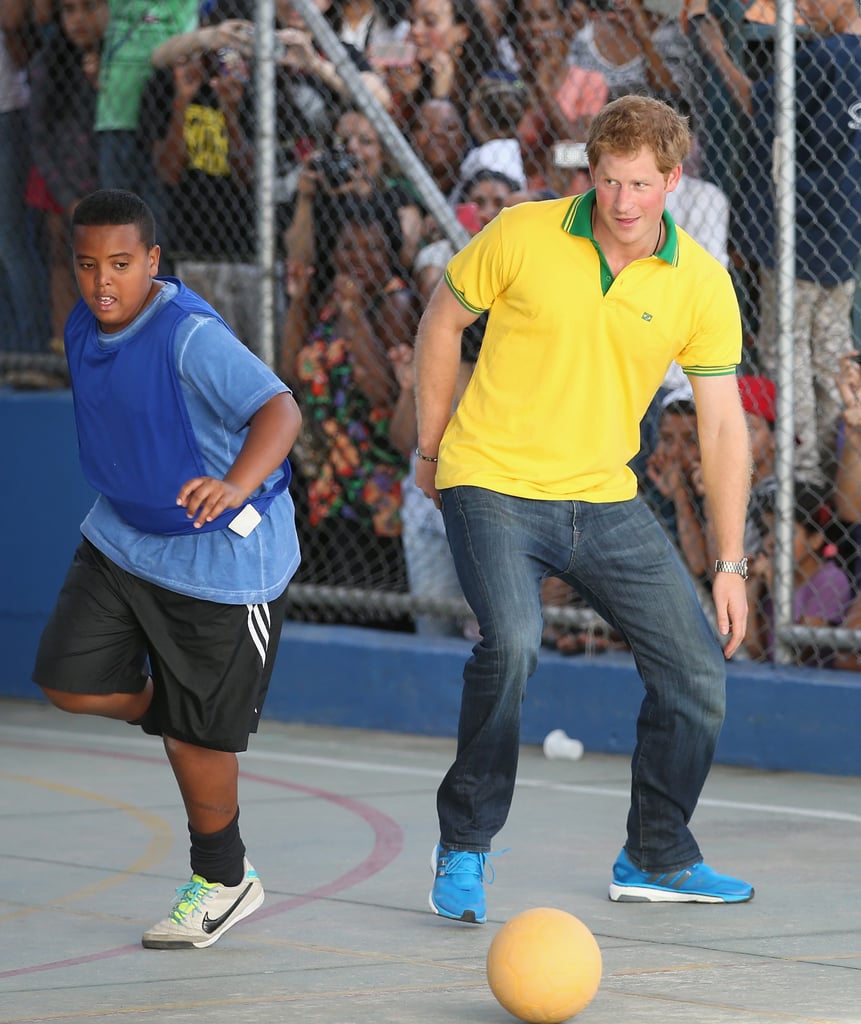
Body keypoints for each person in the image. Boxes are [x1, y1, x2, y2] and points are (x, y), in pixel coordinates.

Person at [414, 95, 754, 922]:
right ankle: (463, 844)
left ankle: (656, 854)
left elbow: (719, 427)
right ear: (588, 171)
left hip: (602, 497)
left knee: (697, 672)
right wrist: (429, 450)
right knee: (515, 643)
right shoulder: (525, 232)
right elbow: (440, 320)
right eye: (608, 181)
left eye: (641, 183)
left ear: (672, 180)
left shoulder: (701, 282)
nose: (624, 202)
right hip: (490, 479)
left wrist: (730, 564)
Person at [32, 189, 303, 949]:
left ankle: (223, 880)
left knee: (200, 743)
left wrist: (233, 484)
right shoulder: (83, 323)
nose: (102, 282)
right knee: (68, 679)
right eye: (87, 265)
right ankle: (177, 712)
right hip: (126, 538)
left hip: (221, 560)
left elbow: (280, 410)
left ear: (152, 261)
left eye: (120, 264)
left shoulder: (187, 336)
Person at [694, 0, 861, 486]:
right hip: (845, 234)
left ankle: (804, 472)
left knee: (788, 350)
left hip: (799, 234)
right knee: (831, 348)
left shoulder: (821, 57)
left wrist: (716, 51)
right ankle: (839, 453)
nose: (804, 6)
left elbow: (754, 102)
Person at [280, 199, 419, 620]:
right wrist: (300, 301)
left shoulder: (394, 303)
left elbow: (382, 392)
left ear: (390, 253)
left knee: (370, 604)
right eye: (349, 249)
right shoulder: (330, 296)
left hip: (371, 480)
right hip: (325, 473)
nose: (358, 260)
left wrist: (356, 317)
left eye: (372, 250)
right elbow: (290, 371)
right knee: (322, 596)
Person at [138, 17, 260, 352]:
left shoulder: (247, 87)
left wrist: (231, 113)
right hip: (190, 244)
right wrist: (182, 100)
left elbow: (249, 176)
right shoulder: (164, 87)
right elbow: (168, 171)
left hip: (243, 246)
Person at [27, 0, 109, 347]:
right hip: (62, 180)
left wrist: (98, 87)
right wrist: (67, 197)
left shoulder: (120, 60)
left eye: (88, 8)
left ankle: (107, 342)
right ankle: (63, 343)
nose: (78, 20)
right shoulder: (48, 62)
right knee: (63, 251)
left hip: (106, 178)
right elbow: (39, 137)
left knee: (106, 262)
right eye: (69, 10)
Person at [95, 1, 198, 245]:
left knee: (153, 232)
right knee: (116, 233)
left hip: (160, 122)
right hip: (115, 118)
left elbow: (186, 47)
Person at [746, 482, 852, 666]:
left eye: (785, 532)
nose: (771, 541)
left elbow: (798, 654)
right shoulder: (771, 574)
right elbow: (755, 650)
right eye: (767, 530)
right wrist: (750, 586)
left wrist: (774, 583)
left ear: (815, 539)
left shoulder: (830, 580)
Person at [0, 1, 49, 353]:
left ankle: (30, 349)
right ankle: (10, 346)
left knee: (11, 237)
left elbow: (13, 17)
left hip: (8, 112)